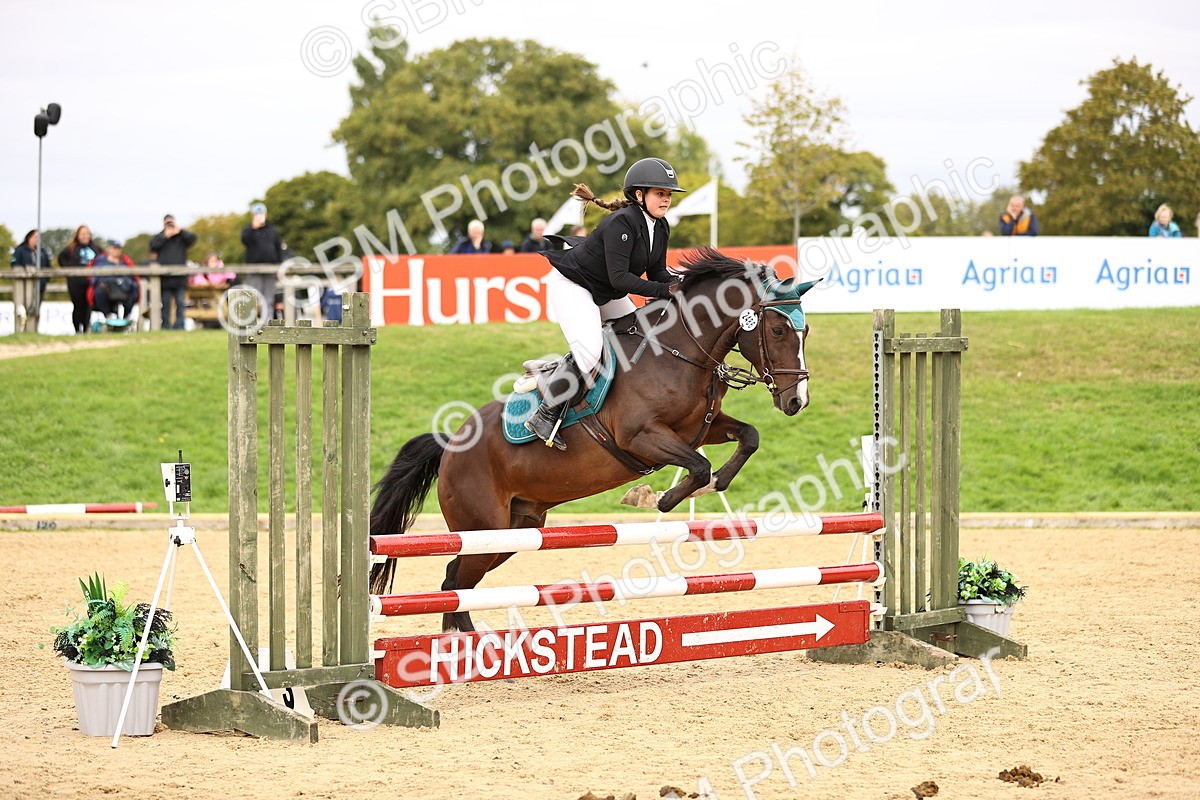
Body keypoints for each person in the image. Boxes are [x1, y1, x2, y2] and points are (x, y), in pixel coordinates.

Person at [527, 157, 685, 449]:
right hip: (574, 286)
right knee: (589, 353)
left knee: (639, 337)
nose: (666, 199)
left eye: (669, 194)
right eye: (660, 193)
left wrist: (682, 283)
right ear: (639, 195)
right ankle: (545, 414)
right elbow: (620, 280)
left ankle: (607, 396)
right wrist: (666, 290)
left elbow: (658, 273)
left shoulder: (660, 227)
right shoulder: (621, 223)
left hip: (604, 291)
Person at [149, 214, 197, 329]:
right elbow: (153, 246)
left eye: (172, 223)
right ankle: (165, 325)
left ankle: (180, 325)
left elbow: (193, 239)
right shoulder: (160, 237)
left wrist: (179, 230)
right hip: (165, 278)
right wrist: (165, 236)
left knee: (180, 303)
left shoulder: (181, 237)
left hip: (180, 277)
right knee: (165, 303)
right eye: (167, 223)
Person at [241, 201, 284, 318]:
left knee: (268, 299)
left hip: (270, 269)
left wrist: (279, 268)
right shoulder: (248, 231)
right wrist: (254, 228)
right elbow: (245, 240)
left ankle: (267, 324)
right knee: (252, 298)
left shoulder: (273, 231)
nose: (260, 216)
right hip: (254, 269)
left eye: (261, 213)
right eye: (257, 214)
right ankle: (250, 324)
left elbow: (279, 250)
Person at [57, 226, 103, 333]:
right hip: (76, 282)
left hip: (90, 282)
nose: (85, 236)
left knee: (88, 306)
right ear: (78, 235)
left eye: (87, 233)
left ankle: (86, 328)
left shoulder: (96, 248)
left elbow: (102, 259)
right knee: (78, 306)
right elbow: (61, 258)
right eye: (82, 233)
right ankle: (77, 330)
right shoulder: (72, 248)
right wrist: (69, 272)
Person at [10, 230, 54, 329]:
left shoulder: (43, 252)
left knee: (35, 310)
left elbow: (48, 268)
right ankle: (20, 330)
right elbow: (14, 264)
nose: (37, 240)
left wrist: (45, 279)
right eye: (35, 237)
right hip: (23, 287)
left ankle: (33, 329)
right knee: (22, 309)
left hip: (40, 286)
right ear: (29, 238)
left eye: (39, 238)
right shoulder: (20, 250)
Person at [89, 239, 139, 321]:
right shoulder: (100, 261)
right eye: (114, 248)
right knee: (99, 292)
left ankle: (126, 317)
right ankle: (108, 316)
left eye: (118, 248)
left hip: (122, 289)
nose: (117, 250)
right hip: (106, 289)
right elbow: (95, 277)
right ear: (109, 249)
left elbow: (132, 276)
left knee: (133, 288)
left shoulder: (125, 261)